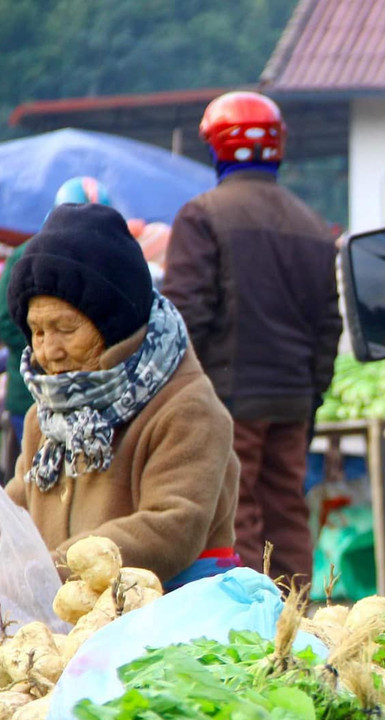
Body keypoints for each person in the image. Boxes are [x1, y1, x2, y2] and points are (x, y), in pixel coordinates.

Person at [5, 203, 241, 590]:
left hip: (171, 618)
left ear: (114, 324)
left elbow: (172, 526)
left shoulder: (187, 408)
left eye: (65, 328)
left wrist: (53, 570)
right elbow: (15, 514)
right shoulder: (44, 418)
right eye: (38, 331)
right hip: (67, 619)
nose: (49, 351)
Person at [162, 90, 341, 583]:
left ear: (215, 147)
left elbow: (186, 317)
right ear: (277, 148)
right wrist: (312, 395)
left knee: (234, 511)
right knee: (287, 512)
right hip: (292, 399)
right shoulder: (314, 225)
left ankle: (246, 627)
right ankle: (300, 623)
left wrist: (180, 396)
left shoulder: (202, 215)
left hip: (227, 397)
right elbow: (330, 325)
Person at [0, 177, 115, 445]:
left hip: (94, 395)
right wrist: (47, 345)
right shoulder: (24, 257)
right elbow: (6, 322)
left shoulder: (108, 262)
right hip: (32, 394)